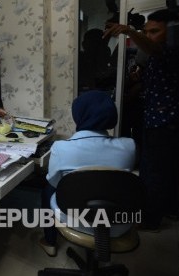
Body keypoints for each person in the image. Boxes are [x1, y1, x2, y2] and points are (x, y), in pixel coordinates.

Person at [104, 9, 179, 230]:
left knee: (154, 172)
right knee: (165, 170)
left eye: (155, 31)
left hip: (164, 123)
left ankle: (150, 220)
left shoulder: (172, 50)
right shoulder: (156, 56)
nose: (149, 36)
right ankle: (170, 210)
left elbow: (154, 48)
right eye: (146, 31)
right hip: (155, 119)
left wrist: (131, 32)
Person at [39, 91, 136, 257]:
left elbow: (56, 184)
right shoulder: (129, 147)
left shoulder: (61, 148)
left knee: (48, 188)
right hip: (119, 223)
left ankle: (50, 241)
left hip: (73, 219)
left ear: (79, 115)